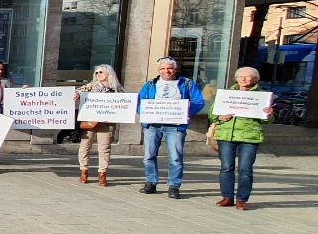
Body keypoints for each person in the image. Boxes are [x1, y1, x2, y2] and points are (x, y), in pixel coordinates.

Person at [136, 56, 206, 199]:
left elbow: (198, 102)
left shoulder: (186, 83)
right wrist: (145, 114)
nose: (166, 71)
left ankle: (174, 186)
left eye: (169, 68)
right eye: (162, 68)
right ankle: (150, 182)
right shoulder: (150, 84)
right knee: (148, 156)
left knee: (175, 158)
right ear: (158, 70)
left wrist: (186, 113)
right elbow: (139, 102)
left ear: (175, 69)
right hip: (152, 125)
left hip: (175, 127)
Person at [213, 67, 271, 210]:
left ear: (255, 79)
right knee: (226, 167)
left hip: (249, 137)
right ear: (236, 78)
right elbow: (212, 113)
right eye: (240, 76)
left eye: (248, 76)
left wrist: (269, 114)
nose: (243, 79)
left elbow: (268, 120)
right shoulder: (227, 94)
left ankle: (242, 200)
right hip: (226, 135)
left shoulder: (261, 96)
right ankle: (227, 197)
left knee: (245, 169)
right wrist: (219, 117)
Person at [73, 64, 122, 187]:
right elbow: (77, 91)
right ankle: (83, 171)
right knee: (85, 146)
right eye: (97, 73)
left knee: (104, 148)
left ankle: (102, 174)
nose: (98, 74)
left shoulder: (117, 89)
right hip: (90, 121)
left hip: (107, 122)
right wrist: (77, 95)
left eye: (101, 72)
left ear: (109, 74)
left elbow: (124, 103)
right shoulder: (92, 86)